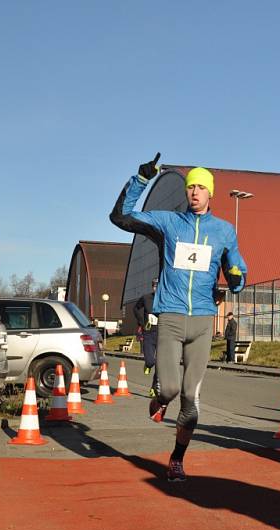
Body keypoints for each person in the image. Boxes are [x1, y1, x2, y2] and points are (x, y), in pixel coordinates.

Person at [111, 153, 247, 481]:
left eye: (202, 187)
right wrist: (140, 180)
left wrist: (236, 274)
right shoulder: (170, 223)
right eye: (191, 187)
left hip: (202, 321)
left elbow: (239, 276)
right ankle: (160, 399)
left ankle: (176, 458)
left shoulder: (224, 232)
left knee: (191, 396)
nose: (195, 192)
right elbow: (121, 216)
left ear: (211, 193)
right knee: (170, 388)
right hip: (171, 317)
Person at [134, 278, 160, 397]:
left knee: (160, 365)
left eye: (158, 286)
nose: (156, 288)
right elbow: (136, 308)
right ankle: (148, 365)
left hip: (162, 334)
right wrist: (141, 322)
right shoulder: (146, 298)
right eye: (154, 286)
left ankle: (154, 389)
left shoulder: (166, 299)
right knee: (150, 361)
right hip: (149, 333)